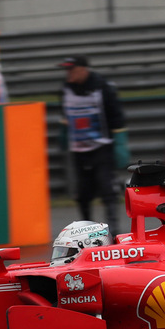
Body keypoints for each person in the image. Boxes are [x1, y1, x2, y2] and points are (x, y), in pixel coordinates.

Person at [59, 55, 128, 227]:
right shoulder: (66, 89)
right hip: (79, 151)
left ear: (83, 69)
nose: (69, 74)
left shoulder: (102, 87)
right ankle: (85, 227)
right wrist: (63, 136)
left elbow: (117, 116)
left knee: (107, 190)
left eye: (72, 69)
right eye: (66, 70)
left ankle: (114, 229)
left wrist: (120, 143)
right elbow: (65, 116)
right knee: (82, 194)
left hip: (101, 148)